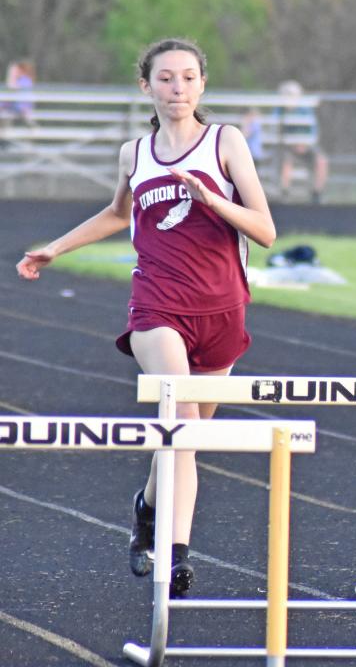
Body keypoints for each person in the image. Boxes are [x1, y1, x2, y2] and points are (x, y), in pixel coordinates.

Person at [16, 38, 276, 598]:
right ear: (146, 87)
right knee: (179, 419)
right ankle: (175, 556)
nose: (177, 88)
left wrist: (211, 199)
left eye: (187, 78)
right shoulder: (136, 154)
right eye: (165, 79)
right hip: (157, 305)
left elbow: (266, 230)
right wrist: (55, 248)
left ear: (202, 84)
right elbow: (117, 213)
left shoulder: (225, 142)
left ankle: (146, 508)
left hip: (223, 307)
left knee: (185, 440)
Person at [276, 80, 329, 203]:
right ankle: (284, 193)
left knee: (322, 161)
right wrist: (293, 144)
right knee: (286, 162)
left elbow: (313, 132)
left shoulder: (305, 110)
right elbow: (277, 131)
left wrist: (304, 144)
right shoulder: (280, 110)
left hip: (307, 146)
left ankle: (317, 193)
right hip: (288, 148)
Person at [2, 59, 36, 124]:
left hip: (22, 107)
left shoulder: (25, 80)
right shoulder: (19, 80)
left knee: (7, 112)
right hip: (15, 106)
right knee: (5, 113)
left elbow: (14, 89)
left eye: (16, 71)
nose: (15, 72)